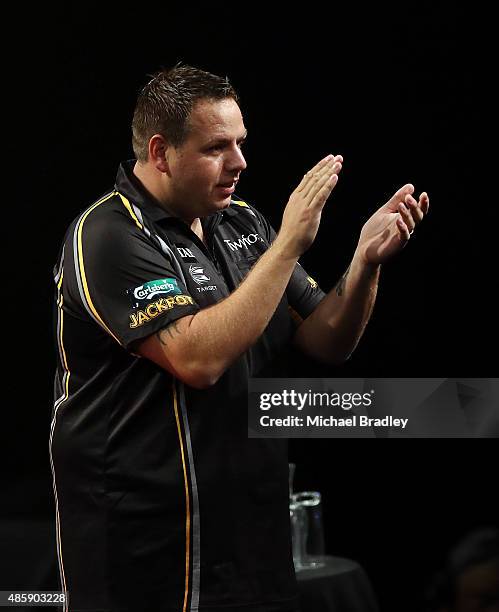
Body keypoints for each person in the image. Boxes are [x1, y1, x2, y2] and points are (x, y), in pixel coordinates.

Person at [51, 63, 429, 612]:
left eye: (241, 143)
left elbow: (328, 339)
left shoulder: (245, 225)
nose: (240, 163)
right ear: (160, 153)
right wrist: (290, 245)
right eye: (216, 148)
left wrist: (365, 261)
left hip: (250, 537)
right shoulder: (108, 234)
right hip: (147, 548)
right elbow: (197, 360)